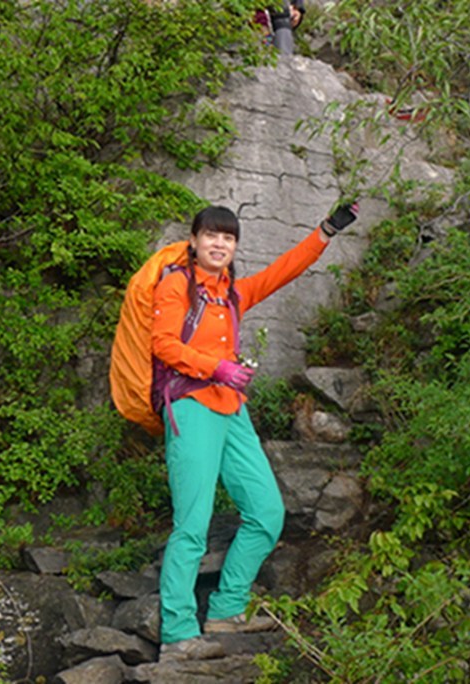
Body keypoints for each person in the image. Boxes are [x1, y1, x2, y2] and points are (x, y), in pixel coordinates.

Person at [153, 202, 358, 662]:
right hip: (191, 407)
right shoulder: (176, 286)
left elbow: (285, 270)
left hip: (232, 411)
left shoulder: (234, 294)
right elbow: (163, 344)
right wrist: (217, 367)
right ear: (194, 240)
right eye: (211, 236)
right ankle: (178, 632)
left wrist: (326, 230)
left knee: (266, 513)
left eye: (227, 238)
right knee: (192, 525)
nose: (219, 244)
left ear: (234, 246)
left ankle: (227, 608)